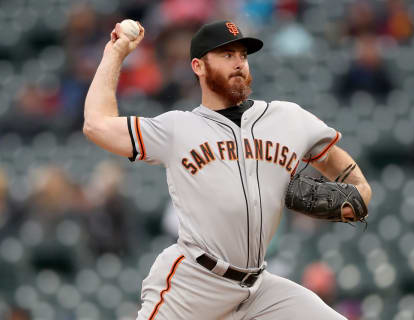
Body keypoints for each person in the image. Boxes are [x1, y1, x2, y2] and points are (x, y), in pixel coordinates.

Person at [83, 20, 372, 320]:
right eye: (227, 55)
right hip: (194, 284)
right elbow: (96, 125)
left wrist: (362, 189)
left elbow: (332, 159)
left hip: (257, 288)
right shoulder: (176, 129)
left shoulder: (287, 118)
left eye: (243, 56)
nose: (239, 63)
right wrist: (114, 53)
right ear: (198, 66)